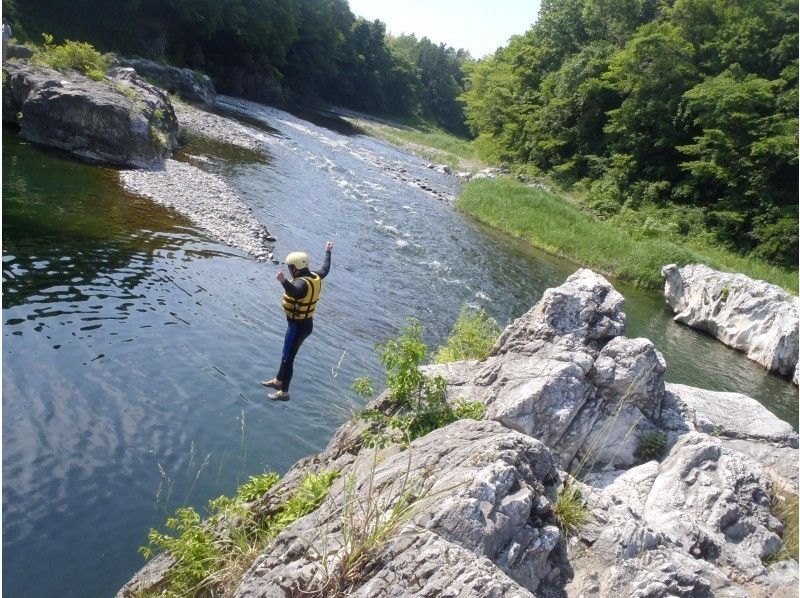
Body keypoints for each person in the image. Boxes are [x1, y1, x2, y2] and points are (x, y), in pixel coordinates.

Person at [262, 241, 333, 400]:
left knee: (288, 358)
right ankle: (278, 380)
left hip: (298, 327)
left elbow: (295, 292)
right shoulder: (315, 275)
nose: (289, 271)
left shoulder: (301, 283)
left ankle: (284, 392)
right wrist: (328, 251)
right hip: (304, 324)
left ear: (295, 268)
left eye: (289, 268)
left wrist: (283, 281)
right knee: (286, 354)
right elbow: (325, 269)